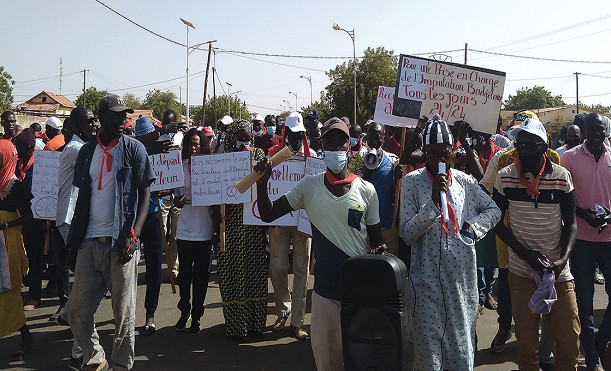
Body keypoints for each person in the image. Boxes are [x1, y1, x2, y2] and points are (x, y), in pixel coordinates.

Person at [255, 117, 385, 371]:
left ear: (351, 146)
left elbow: (377, 240)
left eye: (341, 141)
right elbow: (268, 214)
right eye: (330, 141)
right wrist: (262, 184)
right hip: (325, 295)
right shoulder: (309, 186)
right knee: (328, 362)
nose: (336, 147)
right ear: (321, 146)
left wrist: (379, 251)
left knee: (359, 358)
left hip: (358, 293)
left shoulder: (367, 190)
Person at [400, 115, 500, 369]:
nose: (439, 160)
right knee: (428, 354)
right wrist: (432, 203)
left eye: (444, 153)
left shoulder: (465, 182)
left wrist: (472, 230)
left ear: (452, 152)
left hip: (461, 284)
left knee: (460, 351)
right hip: (426, 285)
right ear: (424, 152)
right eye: (432, 154)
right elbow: (407, 233)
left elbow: (494, 210)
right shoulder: (412, 182)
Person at [66, 94, 155, 371]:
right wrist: (74, 240)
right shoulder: (86, 152)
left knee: (124, 318)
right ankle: (96, 356)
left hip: (122, 245)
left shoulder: (134, 149)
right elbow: (82, 197)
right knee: (76, 312)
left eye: (124, 115)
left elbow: (145, 193)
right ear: (101, 118)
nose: (122, 119)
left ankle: (121, 366)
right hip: (90, 242)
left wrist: (134, 232)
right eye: (116, 115)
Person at [493, 118, 580, 369]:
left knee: (569, 340)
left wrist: (562, 260)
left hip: (558, 273)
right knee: (527, 347)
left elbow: (571, 223)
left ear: (544, 146)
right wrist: (525, 255)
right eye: (519, 144)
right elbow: (497, 222)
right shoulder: (505, 177)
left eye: (530, 145)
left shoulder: (562, 177)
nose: (523, 149)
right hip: (522, 272)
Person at [561, 113, 611, 370]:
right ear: (584, 131)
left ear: (605, 131)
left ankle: (600, 341)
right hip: (581, 240)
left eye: (600, 129)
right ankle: (592, 359)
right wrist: (583, 214)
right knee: (585, 301)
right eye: (591, 129)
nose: (596, 134)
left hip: (610, 238)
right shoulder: (568, 158)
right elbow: (564, 199)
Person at [217, 119, 268, 340]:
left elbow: (269, 182)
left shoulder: (259, 155)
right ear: (231, 138)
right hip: (231, 226)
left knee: (255, 272)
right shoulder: (223, 159)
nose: (244, 142)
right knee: (234, 274)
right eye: (240, 138)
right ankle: (237, 326)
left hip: (254, 226)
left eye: (248, 139)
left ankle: (256, 324)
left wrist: (264, 168)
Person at [55, 106, 97, 370]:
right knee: (86, 281)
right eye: (90, 121)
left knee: (85, 279)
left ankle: (67, 312)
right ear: (78, 124)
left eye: (95, 120)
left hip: (71, 219)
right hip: (72, 220)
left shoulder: (80, 145)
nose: (94, 124)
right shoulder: (77, 149)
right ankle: (78, 350)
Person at [267, 112, 313, 340]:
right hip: (279, 221)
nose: (297, 139)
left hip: (303, 221)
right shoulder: (273, 157)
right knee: (277, 266)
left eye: (301, 135)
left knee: (301, 270)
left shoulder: (311, 157)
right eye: (293, 135)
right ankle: (283, 310)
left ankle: (297, 321)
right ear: (285, 134)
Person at [173, 128, 217, 336]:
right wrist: (176, 201)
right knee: (184, 276)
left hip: (205, 231)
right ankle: (184, 310)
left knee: (201, 277)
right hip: (185, 231)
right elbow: (173, 197)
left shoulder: (211, 169)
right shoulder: (179, 169)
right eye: (190, 144)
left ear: (204, 146)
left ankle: (197, 315)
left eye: (197, 144)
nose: (193, 148)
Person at [0, 140, 34, 361]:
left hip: (8, 245)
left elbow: (30, 216)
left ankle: (25, 336)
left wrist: (6, 226)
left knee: (9, 291)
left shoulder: (15, 186)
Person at [134, 115, 165, 337]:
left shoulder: (162, 154)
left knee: (154, 266)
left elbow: (169, 181)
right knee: (129, 268)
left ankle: (150, 314)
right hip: (133, 219)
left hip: (153, 215)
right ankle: (126, 313)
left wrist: (165, 190)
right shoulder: (131, 153)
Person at [14, 128, 44, 311]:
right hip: (18, 216)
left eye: (18, 146)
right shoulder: (16, 164)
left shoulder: (41, 164)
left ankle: (34, 295)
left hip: (36, 218)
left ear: (28, 147)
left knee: (35, 257)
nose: (15, 149)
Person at [362, 122, 401, 255]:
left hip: (388, 225)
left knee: (389, 266)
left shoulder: (393, 161)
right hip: (365, 226)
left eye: (378, 138)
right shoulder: (358, 161)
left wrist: (397, 178)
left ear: (384, 139)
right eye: (370, 137)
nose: (374, 142)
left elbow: (397, 192)